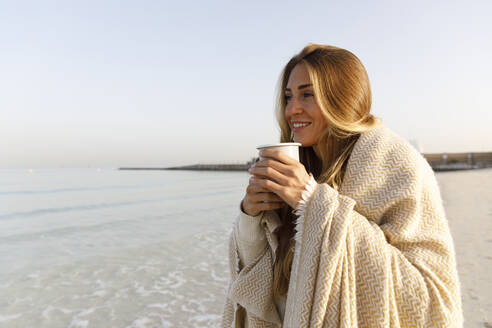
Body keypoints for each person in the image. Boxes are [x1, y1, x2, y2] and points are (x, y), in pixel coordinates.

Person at [222, 44, 463, 327]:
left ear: (343, 98)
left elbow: (431, 301)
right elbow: (261, 292)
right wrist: (252, 219)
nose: (291, 109)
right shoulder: (304, 164)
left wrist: (312, 202)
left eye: (307, 94)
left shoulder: (398, 166)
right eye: (288, 97)